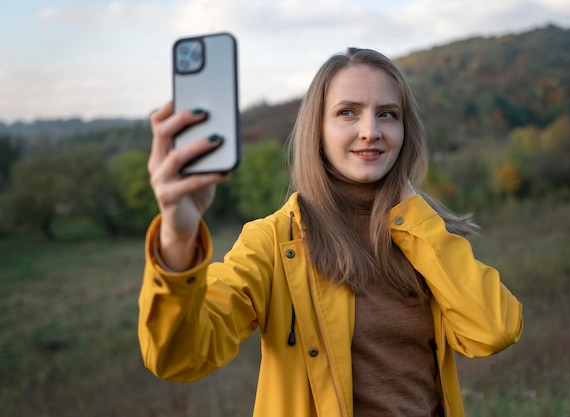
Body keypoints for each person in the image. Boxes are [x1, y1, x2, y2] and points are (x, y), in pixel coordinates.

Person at [138, 47, 523, 417]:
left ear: (406, 130)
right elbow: (180, 356)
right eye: (347, 113)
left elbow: (494, 330)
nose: (370, 131)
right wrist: (177, 236)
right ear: (317, 130)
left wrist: (418, 218)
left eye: (387, 114)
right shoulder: (273, 242)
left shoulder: (421, 232)